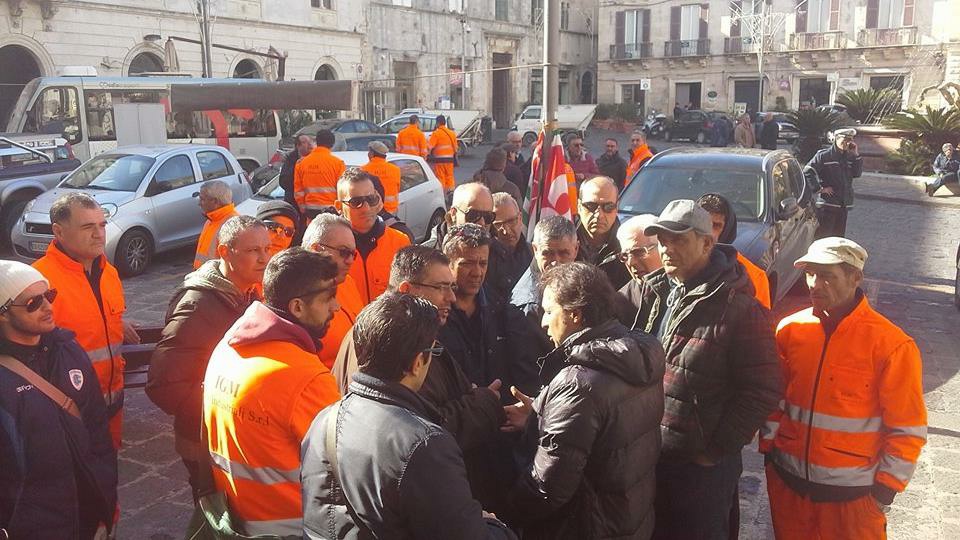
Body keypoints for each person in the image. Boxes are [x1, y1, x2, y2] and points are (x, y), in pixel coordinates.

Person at [301, 293, 515, 539]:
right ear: (417, 362)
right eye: (433, 351)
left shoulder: (324, 420)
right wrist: (493, 525)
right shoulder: (424, 445)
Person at [627, 200, 782, 539]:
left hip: (700, 472)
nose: (667, 249)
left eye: (679, 240)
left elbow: (763, 390)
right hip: (650, 458)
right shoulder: (655, 291)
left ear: (708, 243)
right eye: (662, 241)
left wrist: (713, 452)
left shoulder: (740, 309)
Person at [760, 237, 927, 539]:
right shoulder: (790, 330)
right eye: (810, 274)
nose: (815, 284)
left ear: (855, 278)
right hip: (789, 487)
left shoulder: (891, 345)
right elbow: (775, 398)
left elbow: (908, 427)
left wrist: (885, 490)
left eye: (827, 276)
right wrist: (769, 452)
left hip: (853, 501)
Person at [330, 246, 508, 509]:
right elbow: (424, 432)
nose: (451, 297)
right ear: (406, 289)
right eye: (440, 288)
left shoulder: (383, 331)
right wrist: (484, 402)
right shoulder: (395, 345)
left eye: (451, 287)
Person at [502, 262, 665, 539]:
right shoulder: (638, 356)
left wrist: (504, 513)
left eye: (549, 311)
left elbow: (548, 487)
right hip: (629, 521)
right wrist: (539, 416)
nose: (543, 322)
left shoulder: (577, 385)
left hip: (586, 528)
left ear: (575, 314)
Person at [202, 247, 342, 537]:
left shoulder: (228, 346)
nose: (336, 307)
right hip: (294, 527)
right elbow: (347, 469)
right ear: (297, 307)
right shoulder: (306, 378)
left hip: (234, 520)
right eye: (328, 297)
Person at [146, 217, 270, 500]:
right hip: (204, 441)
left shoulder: (246, 294)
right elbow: (163, 386)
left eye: (267, 249)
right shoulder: (197, 305)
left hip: (228, 436)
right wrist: (223, 409)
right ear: (225, 252)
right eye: (253, 250)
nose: (264, 258)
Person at [0, 261, 118, 539]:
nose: (47, 307)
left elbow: (97, 429)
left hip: (85, 516)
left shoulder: (68, 349)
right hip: (31, 526)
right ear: (3, 313)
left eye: (48, 295)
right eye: (33, 303)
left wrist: (105, 496)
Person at [33, 192, 136, 449]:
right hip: (68, 413)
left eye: (102, 225)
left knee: (107, 468)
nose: (99, 234)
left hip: (111, 404)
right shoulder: (39, 281)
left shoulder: (108, 273)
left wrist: (116, 323)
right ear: (59, 231)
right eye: (88, 227)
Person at [336, 168, 411, 303]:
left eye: (371, 199)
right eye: (356, 202)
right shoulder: (329, 249)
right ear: (339, 206)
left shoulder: (400, 242)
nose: (366, 208)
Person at [301, 213, 365, 370]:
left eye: (353, 254)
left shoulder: (348, 282)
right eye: (344, 252)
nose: (350, 261)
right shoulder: (295, 295)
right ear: (316, 249)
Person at [697, 193, 772, 309]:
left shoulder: (755, 277)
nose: (708, 233)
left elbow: (760, 320)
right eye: (703, 224)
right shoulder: (675, 264)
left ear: (727, 230)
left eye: (716, 226)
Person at [804, 128, 863, 239]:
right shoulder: (824, 155)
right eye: (845, 140)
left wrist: (856, 155)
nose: (847, 143)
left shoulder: (850, 157)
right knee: (824, 237)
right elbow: (808, 171)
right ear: (836, 139)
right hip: (828, 205)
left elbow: (857, 173)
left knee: (839, 238)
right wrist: (819, 189)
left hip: (843, 204)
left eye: (850, 140)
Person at [575, 176, 631, 289]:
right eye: (591, 206)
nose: (599, 215)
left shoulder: (629, 248)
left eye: (608, 207)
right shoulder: (563, 244)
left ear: (617, 207)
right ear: (579, 207)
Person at [615, 213, 662, 318]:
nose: (631, 262)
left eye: (639, 252)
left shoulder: (684, 291)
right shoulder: (621, 301)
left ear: (662, 247)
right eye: (625, 256)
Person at [425, 182, 496, 249]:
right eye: (473, 215)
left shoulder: (499, 253)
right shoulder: (430, 255)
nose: (482, 223)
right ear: (453, 214)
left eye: (488, 216)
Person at [489, 192, 533, 298]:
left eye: (511, 221)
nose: (506, 231)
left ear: (520, 218)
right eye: (498, 225)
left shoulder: (532, 253)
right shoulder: (485, 258)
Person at [294, 129, 347, 216]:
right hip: (332, 209)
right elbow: (343, 189)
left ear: (316, 142)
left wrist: (302, 207)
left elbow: (298, 190)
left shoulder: (301, 163)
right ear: (332, 144)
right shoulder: (338, 163)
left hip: (310, 209)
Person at [193, 180, 238, 269]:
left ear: (215, 201)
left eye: (202, 199)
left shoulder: (232, 225)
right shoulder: (210, 220)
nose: (199, 203)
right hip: (203, 274)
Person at [359, 140, 402, 213]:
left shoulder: (363, 170)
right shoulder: (395, 169)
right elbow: (397, 188)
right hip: (391, 210)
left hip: (371, 211)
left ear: (371, 154)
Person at [279, 133, 315, 207]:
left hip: (311, 203)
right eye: (305, 142)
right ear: (298, 146)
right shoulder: (291, 160)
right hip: (293, 203)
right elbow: (283, 182)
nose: (309, 144)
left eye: (310, 141)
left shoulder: (316, 159)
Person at [428, 114, 459, 193]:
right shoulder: (452, 133)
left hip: (439, 160)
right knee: (450, 176)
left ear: (438, 123)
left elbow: (430, 147)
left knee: (441, 177)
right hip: (450, 159)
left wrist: (427, 155)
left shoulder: (436, 133)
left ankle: (441, 193)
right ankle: (451, 192)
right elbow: (456, 148)